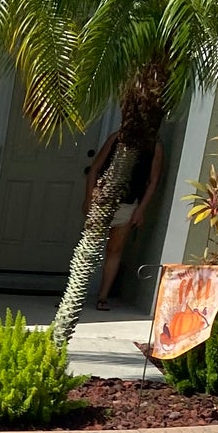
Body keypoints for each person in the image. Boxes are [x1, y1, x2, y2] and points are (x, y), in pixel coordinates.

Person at [83, 130, 165, 309]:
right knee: (88, 249)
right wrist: (89, 198)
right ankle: (73, 296)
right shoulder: (118, 136)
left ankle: (102, 297)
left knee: (115, 249)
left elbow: (153, 181)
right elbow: (95, 168)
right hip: (103, 201)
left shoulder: (154, 145)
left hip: (128, 204)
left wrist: (141, 209)